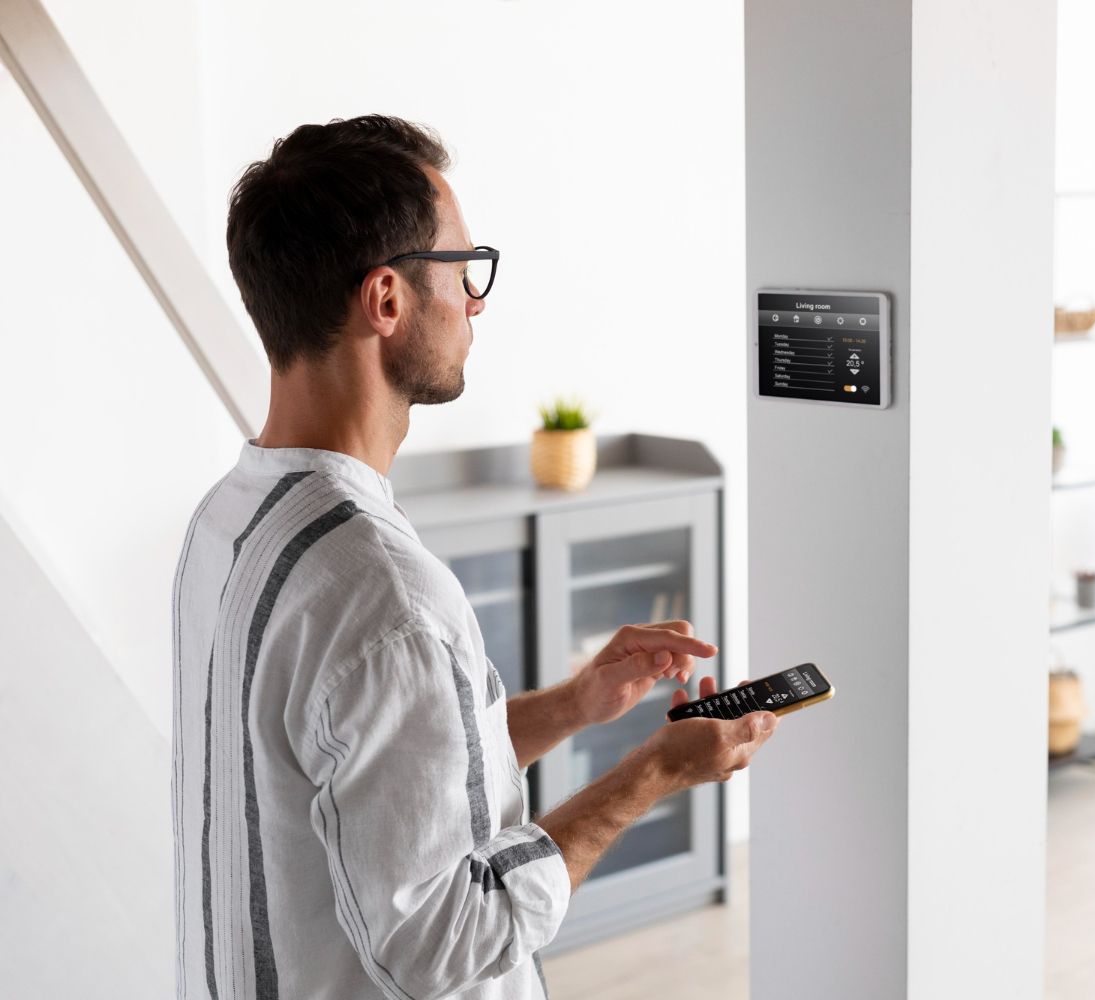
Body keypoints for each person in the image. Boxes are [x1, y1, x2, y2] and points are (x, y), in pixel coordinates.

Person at [171, 114, 777, 1000]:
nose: (477, 301)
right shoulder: (384, 593)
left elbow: (369, 780)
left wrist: (576, 704)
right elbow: (445, 939)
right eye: (464, 269)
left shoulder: (227, 521)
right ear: (387, 300)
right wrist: (656, 770)